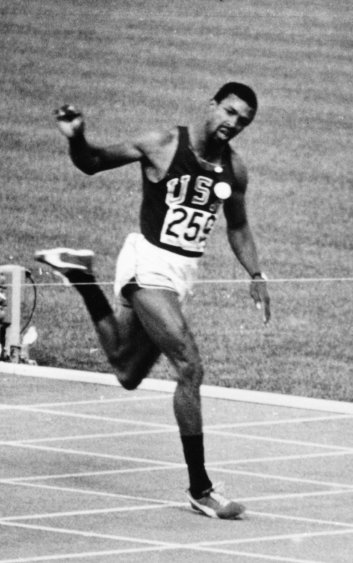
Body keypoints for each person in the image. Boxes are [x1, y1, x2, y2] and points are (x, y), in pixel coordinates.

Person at [36, 82, 271, 520]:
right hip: (148, 264)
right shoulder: (163, 143)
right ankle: (201, 488)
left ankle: (81, 276)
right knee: (190, 365)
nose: (232, 124)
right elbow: (93, 163)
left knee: (125, 369)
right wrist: (77, 137)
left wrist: (256, 274)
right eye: (229, 112)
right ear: (212, 105)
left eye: (242, 120)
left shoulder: (233, 170)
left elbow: (237, 226)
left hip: (179, 278)